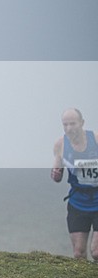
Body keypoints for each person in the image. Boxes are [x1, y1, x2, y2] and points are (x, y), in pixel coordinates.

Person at [51, 108, 98, 260]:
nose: (69, 128)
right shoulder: (60, 145)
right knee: (79, 253)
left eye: (72, 124)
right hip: (78, 202)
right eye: (65, 125)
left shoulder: (95, 138)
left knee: (96, 251)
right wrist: (56, 174)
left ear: (82, 123)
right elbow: (56, 174)